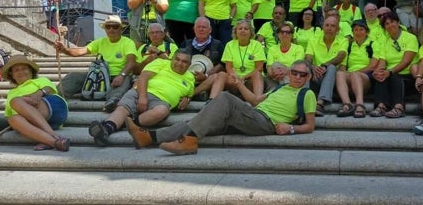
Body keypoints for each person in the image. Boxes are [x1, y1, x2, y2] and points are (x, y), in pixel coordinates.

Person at [125, 60, 316, 155]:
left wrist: (291, 128)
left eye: (302, 75)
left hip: (265, 123)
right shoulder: (280, 87)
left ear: (308, 77)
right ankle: (148, 137)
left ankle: (189, 142)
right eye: (295, 72)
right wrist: (239, 84)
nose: (298, 77)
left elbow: (310, 125)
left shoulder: (307, 94)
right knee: (197, 121)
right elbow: (256, 101)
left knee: (224, 96)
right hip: (253, 114)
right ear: (290, 73)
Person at [87, 49, 196, 146]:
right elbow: (143, 77)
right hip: (141, 91)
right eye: (177, 59)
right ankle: (105, 130)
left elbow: (190, 93)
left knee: (162, 111)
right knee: (123, 109)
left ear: (189, 64)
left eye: (184, 61)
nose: (180, 63)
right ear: (172, 59)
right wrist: (143, 97)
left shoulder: (190, 78)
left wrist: (187, 99)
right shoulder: (161, 62)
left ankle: (119, 125)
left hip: (162, 102)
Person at [55, 15, 137, 113]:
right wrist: (64, 49)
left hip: (118, 75)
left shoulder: (128, 42)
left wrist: (122, 75)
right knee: (73, 77)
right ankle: (55, 98)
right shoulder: (100, 42)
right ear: (105, 29)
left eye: (115, 27)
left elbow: (131, 62)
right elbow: (80, 51)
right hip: (99, 75)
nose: (111, 29)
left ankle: (113, 102)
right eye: (108, 27)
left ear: (120, 29)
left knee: (125, 80)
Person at [2, 55, 70, 151]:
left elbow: (49, 88)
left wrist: (37, 94)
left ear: (30, 71)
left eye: (24, 68)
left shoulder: (39, 80)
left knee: (16, 101)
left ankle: (53, 135)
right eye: (16, 70)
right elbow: (8, 115)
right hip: (41, 122)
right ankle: (54, 142)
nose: (21, 72)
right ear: (12, 75)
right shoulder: (11, 93)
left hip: (53, 107)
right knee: (13, 119)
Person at [370, 12, 418, 118]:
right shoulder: (386, 42)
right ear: (384, 28)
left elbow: (406, 61)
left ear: (398, 22)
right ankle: (381, 106)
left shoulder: (410, 38)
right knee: (381, 77)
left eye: (392, 22)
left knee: (394, 76)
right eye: (386, 24)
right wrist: (378, 71)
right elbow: (382, 62)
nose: (390, 25)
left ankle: (399, 108)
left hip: (408, 76)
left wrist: (390, 72)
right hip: (390, 75)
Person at [335, 20, 380, 118]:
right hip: (351, 75)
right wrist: (346, 72)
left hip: (367, 76)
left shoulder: (373, 44)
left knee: (355, 74)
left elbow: (373, 65)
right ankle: (347, 104)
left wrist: (355, 73)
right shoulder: (350, 45)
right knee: (339, 74)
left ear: (367, 31)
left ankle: (360, 105)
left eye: (361, 30)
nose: (358, 32)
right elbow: (343, 66)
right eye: (356, 30)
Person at [305, 15, 348, 117]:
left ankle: (320, 103)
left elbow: (341, 56)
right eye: (327, 25)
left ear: (337, 29)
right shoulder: (313, 40)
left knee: (332, 67)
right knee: (305, 66)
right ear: (322, 27)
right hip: (315, 76)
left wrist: (325, 66)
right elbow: (308, 58)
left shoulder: (343, 40)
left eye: (333, 26)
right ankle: (304, 100)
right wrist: (313, 67)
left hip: (333, 81)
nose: (329, 28)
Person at [180, 17, 228, 100]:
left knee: (218, 77)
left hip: (209, 79)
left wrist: (206, 75)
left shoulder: (218, 44)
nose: (201, 29)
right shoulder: (185, 44)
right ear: (194, 29)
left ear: (210, 30)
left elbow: (222, 64)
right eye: (198, 27)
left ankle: (192, 95)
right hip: (188, 78)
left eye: (204, 27)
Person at [221, 20, 266, 96]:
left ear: (250, 32)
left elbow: (259, 68)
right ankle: (212, 100)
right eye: (240, 29)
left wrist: (244, 78)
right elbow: (229, 67)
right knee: (221, 75)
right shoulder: (229, 45)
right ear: (235, 32)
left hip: (251, 80)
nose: (243, 31)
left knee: (257, 74)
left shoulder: (257, 45)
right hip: (235, 79)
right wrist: (236, 77)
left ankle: (257, 100)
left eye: (246, 29)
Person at [265, 23, 305, 90]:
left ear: (292, 35)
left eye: (288, 32)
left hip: (293, 76)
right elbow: (269, 68)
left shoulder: (299, 48)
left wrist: (286, 70)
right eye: (282, 32)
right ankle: (287, 89)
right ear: (278, 34)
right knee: (275, 65)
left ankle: (285, 89)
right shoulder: (272, 49)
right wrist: (277, 72)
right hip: (275, 77)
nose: (284, 34)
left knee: (276, 64)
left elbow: (297, 67)